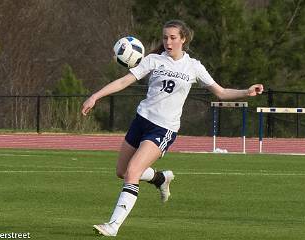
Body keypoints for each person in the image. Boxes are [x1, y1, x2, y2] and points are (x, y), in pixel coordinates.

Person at [81, 19, 264, 237]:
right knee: (122, 171)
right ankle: (160, 178)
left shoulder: (194, 66)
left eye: (173, 37)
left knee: (132, 172)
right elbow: (123, 82)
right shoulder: (153, 60)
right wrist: (95, 96)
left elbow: (221, 92)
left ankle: (113, 225)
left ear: (183, 39)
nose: (168, 41)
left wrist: (247, 91)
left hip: (163, 129)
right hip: (141, 120)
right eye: (165, 37)